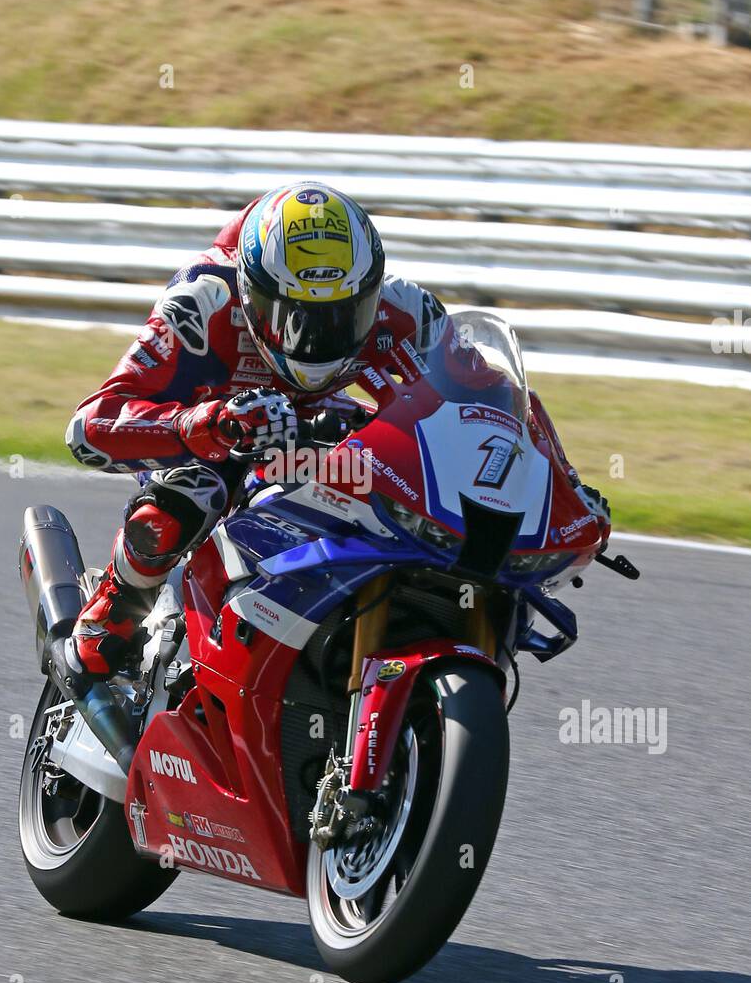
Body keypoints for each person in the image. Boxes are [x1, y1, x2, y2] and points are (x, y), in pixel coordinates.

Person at [51, 182, 608, 698]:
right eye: (296, 320)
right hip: (217, 430)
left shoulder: (406, 314)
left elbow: (494, 400)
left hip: (333, 431)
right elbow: (91, 425)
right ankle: (114, 610)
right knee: (187, 498)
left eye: (343, 317)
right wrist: (213, 424)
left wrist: (560, 480)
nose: (319, 341)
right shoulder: (203, 303)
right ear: (253, 296)